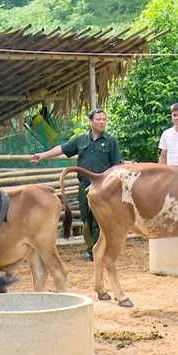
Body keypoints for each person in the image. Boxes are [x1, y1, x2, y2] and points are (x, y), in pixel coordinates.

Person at [31, 108, 121, 260]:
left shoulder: (111, 141)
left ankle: (103, 250)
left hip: (103, 187)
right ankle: (91, 249)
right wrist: (43, 156)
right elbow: (62, 148)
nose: (102, 122)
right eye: (98, 119)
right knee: (86, 218)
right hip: (84, 185)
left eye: (104, 119)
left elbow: (117, 166)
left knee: (101, 219)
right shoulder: (80, 139)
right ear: (90, 121)